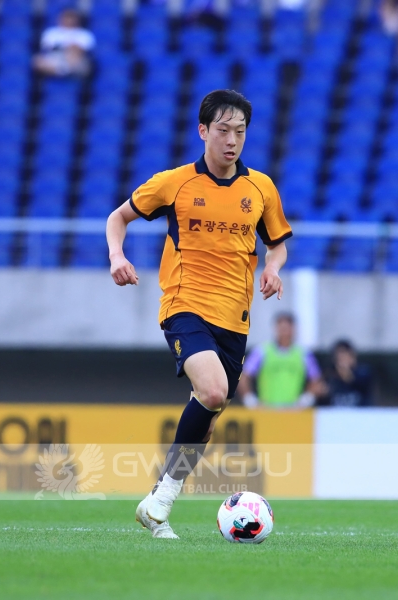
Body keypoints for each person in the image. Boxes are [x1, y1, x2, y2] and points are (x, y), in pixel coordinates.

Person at [106, 89, 292, 539]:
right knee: (212, 391)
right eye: (223, 130)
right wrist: (116, 256)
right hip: (184, 305)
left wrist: (273, 268)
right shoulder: (175, 183)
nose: (232, 140)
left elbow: (277, 244)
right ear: (203, 131)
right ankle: (163, 498)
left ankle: (156, 508)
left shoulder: (260, 188)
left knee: (207, 416)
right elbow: (118, 217)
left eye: (240, 132)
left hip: (235, 319)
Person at [237, 312, 324, 409]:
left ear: (293, 330)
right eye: (282, 329)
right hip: (266, 410)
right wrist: (251, 401)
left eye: (287, 329)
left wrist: (305, 401)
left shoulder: (304, 354)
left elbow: (317, 381)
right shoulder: (261, 351)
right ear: (276, 329)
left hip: (294, 411)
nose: (284, 333)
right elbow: (243, 377)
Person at [32, 9, 95, 78]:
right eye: (66, 17)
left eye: (71, 18)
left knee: (78, 58)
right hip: (55, 58)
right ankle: (64, 70)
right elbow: (47, 48)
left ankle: (63, 70)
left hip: (76, 60)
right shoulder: (51, 32)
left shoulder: (84, 34)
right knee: (37, 61)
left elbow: (85, 51)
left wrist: (71, 49)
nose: (69, 20)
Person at [320, 339, 374, 408]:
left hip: (360, 413)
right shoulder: (331, 376)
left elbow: (363, 384)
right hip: (337, 413)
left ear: (352, 357)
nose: (341, 361)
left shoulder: (363, 372)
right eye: (338, 358)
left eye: (344, 356)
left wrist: (347, 375)